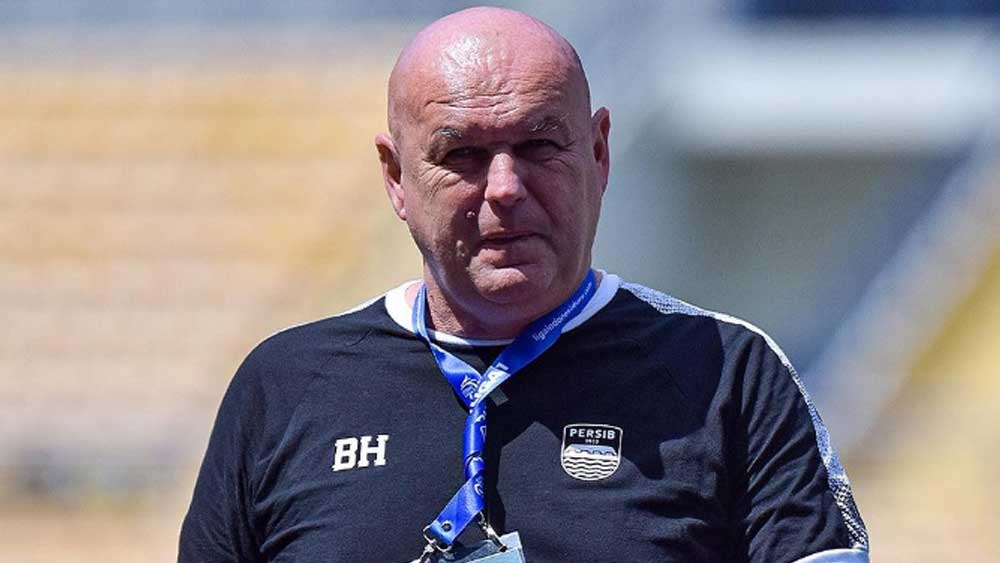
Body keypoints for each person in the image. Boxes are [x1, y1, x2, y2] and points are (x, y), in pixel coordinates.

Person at [179, 7, 869, 563]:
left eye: (540, 145)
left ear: (598, 152)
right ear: (396, 177)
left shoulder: (727, 375)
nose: (505, 187)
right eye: (463, 154)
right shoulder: (287, 385)